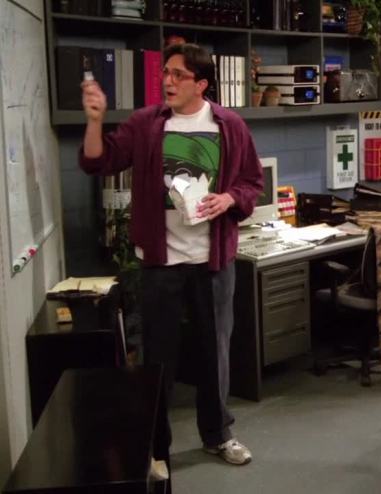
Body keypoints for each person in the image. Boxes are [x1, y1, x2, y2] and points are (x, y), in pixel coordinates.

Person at [79, 43, 263, 466]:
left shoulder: (230, 126)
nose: (167, 80)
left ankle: (218, 435)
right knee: (159, 356)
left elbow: (252, 182)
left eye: (178, 74)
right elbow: (98, 161)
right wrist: (95, 121)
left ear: (202, 84)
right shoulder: (147, 123)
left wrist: (229, 198)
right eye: (166, 72)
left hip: (213, 262)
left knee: (215, 353)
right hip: (161, 262)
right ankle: (155, 445)